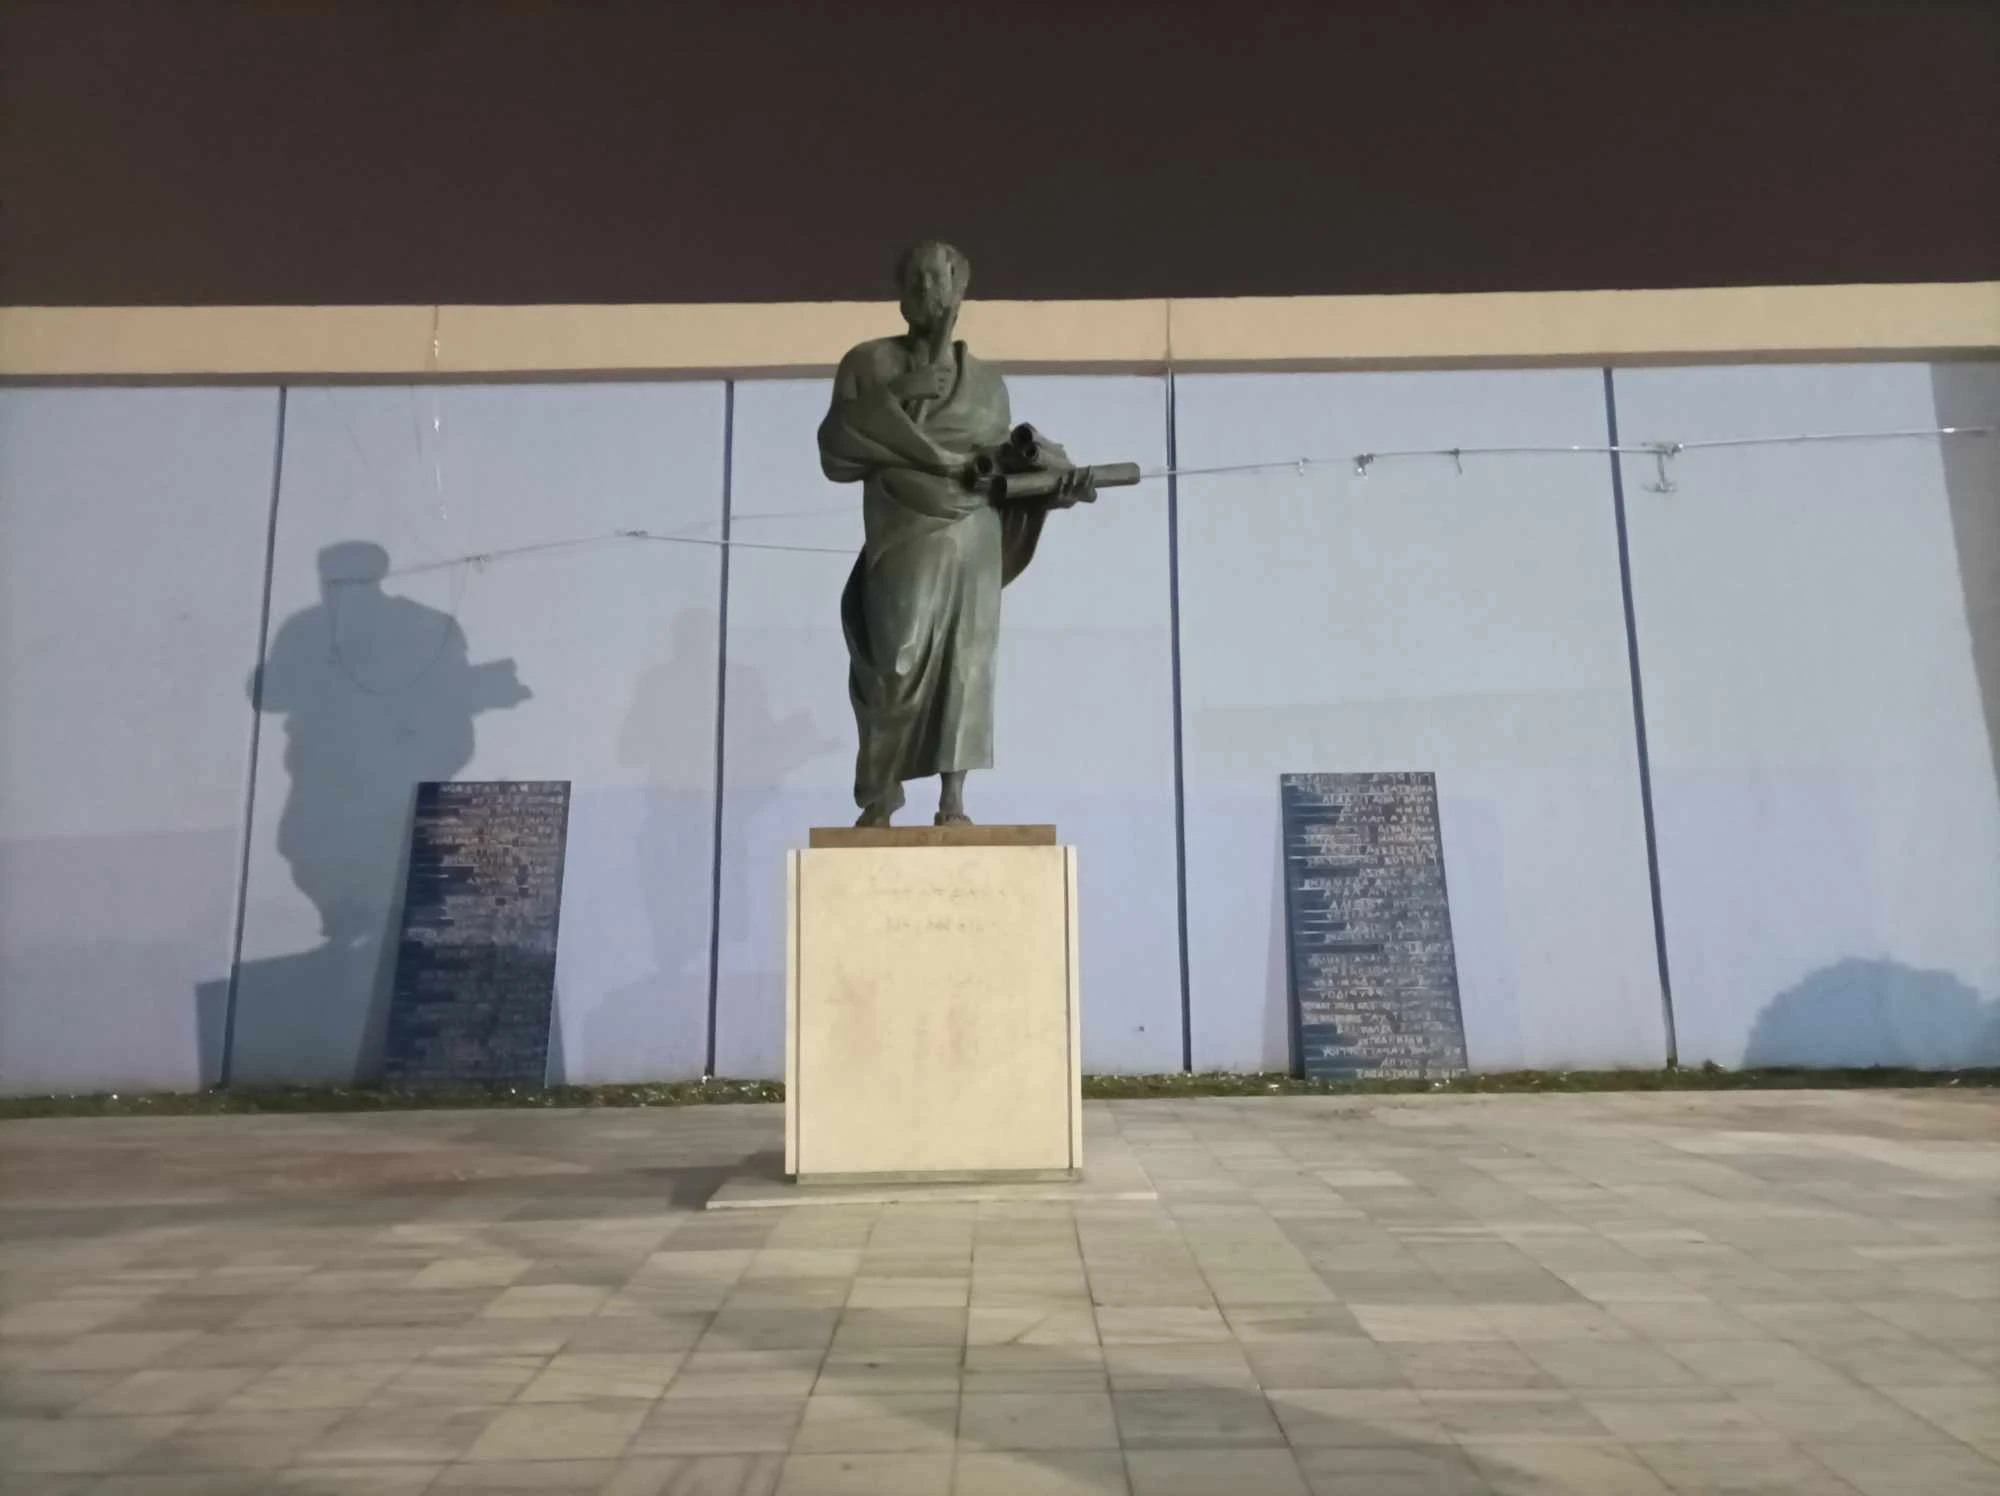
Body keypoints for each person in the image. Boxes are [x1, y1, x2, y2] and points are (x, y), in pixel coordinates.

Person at [817, 241, 1091, 826]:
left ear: (960, 290)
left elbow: (1000, 466)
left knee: (968, 662)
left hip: (973, 530)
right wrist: (899, 395)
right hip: (905, 530)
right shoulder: (867, 364)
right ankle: (881, 793)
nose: (928, 292)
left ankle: (953, 801)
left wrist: (1053, 484)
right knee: (895, 657)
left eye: (940, 280)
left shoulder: (987, 383)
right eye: (916, 280)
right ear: (900, 294)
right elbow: (837, 450)